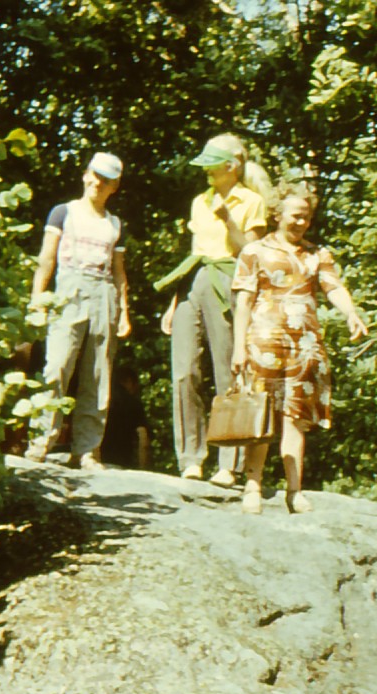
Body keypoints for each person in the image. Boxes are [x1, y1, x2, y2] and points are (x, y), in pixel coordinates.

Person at [230, 187, 371, 515]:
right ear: (277, 214)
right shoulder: (254, 251)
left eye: (306, 216)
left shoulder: (317, 253)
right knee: (260, 414)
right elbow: (243, 302)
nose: (301, 221)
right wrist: (238, 347)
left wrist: (351, 312)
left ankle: (294, 491)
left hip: (305, 345)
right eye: (295, 215)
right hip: (263, 341)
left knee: (296, 416)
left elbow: (332, 286)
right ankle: (253, 484)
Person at [157, 133, 269, 485]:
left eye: (211, 163)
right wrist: (175, 302)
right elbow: (194, 252)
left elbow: (250, 254)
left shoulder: (251, 201)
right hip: (196, 279)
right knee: (184, 369)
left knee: (227, 370)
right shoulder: (199, 201)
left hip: (230, 280)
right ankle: (190, 458)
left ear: (231, 166)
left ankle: (228, 463)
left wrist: (228, 220)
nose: (205, 170)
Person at [24, 153, 132, 469]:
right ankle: (41, 440)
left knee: (98, 373)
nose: (98, 183)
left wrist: (123, 311)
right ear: (85, 175)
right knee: (57, 366)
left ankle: (87, 449)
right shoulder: (63, 213)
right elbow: (47, 259)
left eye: (106, 179)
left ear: (115, 186)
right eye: (94, 175)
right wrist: (37, 299)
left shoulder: (115, 224)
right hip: (68, 287)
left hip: (103, 293)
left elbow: (119, 271)